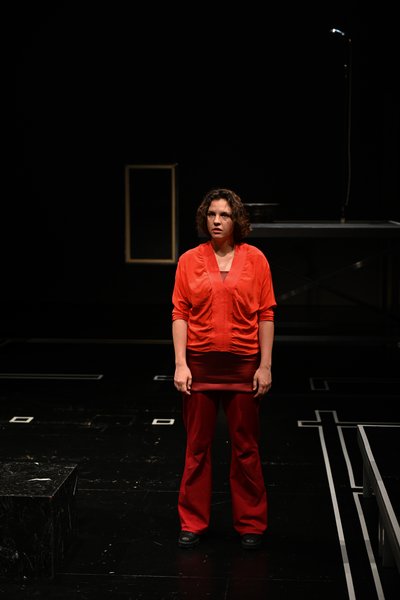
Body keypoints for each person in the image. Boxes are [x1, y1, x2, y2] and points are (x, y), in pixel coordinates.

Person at [171, 188, 276, 550]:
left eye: (225, 215)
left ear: (237, 221)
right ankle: (193, 522)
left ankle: (251, 522)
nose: (217, 221)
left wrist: (265, 366)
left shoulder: (256, 260)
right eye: (212, 214)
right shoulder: (189, 260)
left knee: (246, 448)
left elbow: (265, 314)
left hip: (243, 368)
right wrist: (181, 364)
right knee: (196, 448)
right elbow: (180, 313)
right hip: (200, 368)